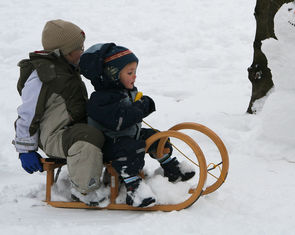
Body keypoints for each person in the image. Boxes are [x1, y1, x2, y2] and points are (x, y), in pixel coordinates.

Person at [79, 43, 195, 207]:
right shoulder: (100, 100)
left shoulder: (125, 91)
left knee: (156, 136)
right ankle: (134, 189)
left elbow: (134, 109)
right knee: (131, 148)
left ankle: (171, 168)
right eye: (129, 72)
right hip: (108, 145)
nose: (134, 76)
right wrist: (139, 108)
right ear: (112, 75)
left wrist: (144, 103)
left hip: (128, 136)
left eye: (135, 72)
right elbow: (119, 121)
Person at [13, 19, 105, 206]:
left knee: (107, 128)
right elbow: (28, 113)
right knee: (86, 139)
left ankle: (123, 175)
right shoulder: (42, 76)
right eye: (79, 47)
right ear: (66, 52)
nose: (83, 50)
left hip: (73, 129)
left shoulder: (69, 68)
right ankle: (84, 189)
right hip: (54, 136)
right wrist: (25, 150)